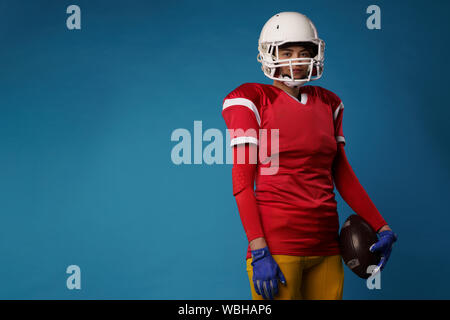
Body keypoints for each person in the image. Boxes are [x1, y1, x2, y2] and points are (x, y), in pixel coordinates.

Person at [221, 12, 397, 300]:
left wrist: (381, 225)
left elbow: (343, 174)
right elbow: (242, 183)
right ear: (269, 54)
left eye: (304, 53)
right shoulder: (251, 100)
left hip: (327, 246)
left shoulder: (329, 102)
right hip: (277, 248)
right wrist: (258, 248)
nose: (297, 60)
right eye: (287, 51)